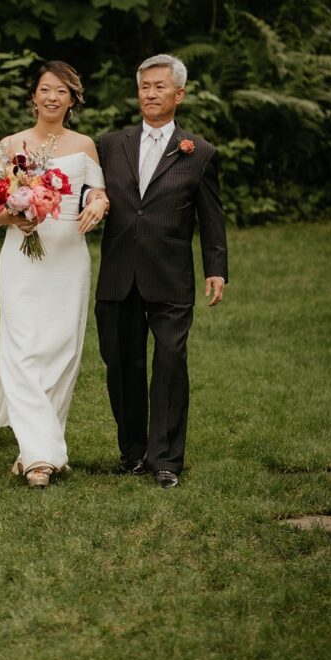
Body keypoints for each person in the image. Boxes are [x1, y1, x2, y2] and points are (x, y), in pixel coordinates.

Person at [93, 54, 228, 488]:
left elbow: (211, 217)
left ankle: (166, 460)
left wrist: (216, 268)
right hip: (119, 272)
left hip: (170, 275)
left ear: (179, 94)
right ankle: (132, 453)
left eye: (160, 86)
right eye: (145, 86)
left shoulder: (199, 152)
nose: (151, 93)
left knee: (170, 364)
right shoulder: (110, 145)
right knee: (122, 364)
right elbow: (90, 195)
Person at [0, 61, 108, 488]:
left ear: (72, 100)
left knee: (61, 350)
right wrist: (14, 218)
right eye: (45, 89)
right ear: (33, 96)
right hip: (22, 259)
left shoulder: (85, 145)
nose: (53, 97)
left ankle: (36, 450)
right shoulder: (9, 145)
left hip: (68, 259)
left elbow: (99, 193)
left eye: (62, 91)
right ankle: (42, 457)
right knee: (21, 350)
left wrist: (98, 205)